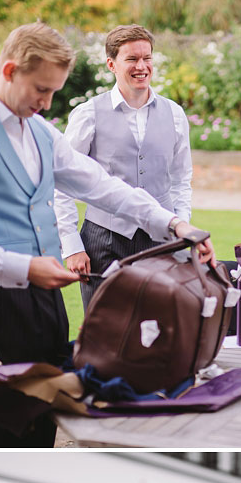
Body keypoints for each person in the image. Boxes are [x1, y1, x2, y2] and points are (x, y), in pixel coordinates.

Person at [0, 22, 215, 448]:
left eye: (54, 91)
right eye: (41, 89)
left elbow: (102, 186)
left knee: (45, 428)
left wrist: (173, 224)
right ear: (9, 71)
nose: (46, 102)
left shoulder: (39, 130)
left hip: (43, 300)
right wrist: (23, 266)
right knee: (1, 439)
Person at [52, 23, 193, 309]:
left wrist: (181, 228)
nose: (142, 66)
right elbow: (62, 183)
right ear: (111, 64)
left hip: (161, 241)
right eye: (132, 59)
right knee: (104, 334)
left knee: (159, 329)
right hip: (103, 241)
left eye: (147, 58)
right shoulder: (88, 114)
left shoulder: (175, 114)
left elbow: (180, 180)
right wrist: (71, 246)